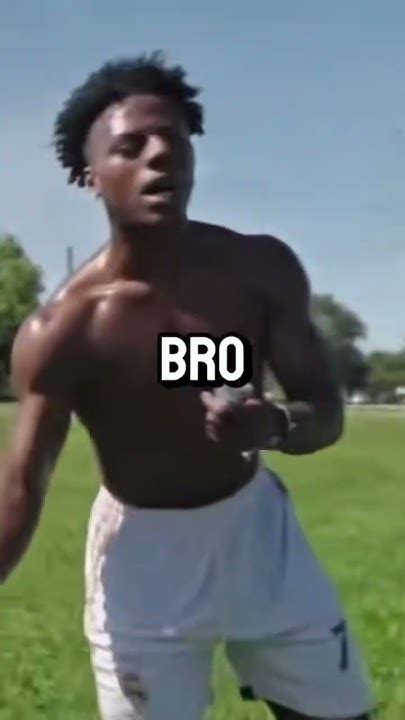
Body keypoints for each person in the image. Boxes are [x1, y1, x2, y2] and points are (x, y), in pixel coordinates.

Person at [0, 53, 374, 720]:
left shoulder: (257, 271)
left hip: (259, 538)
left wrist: (273, 425)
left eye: (172, 138)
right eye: (130, 146)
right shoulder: (64, 331)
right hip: (143, 565)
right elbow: (22, 486)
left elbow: (325, 414)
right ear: (89, 176)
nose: (159, 156)